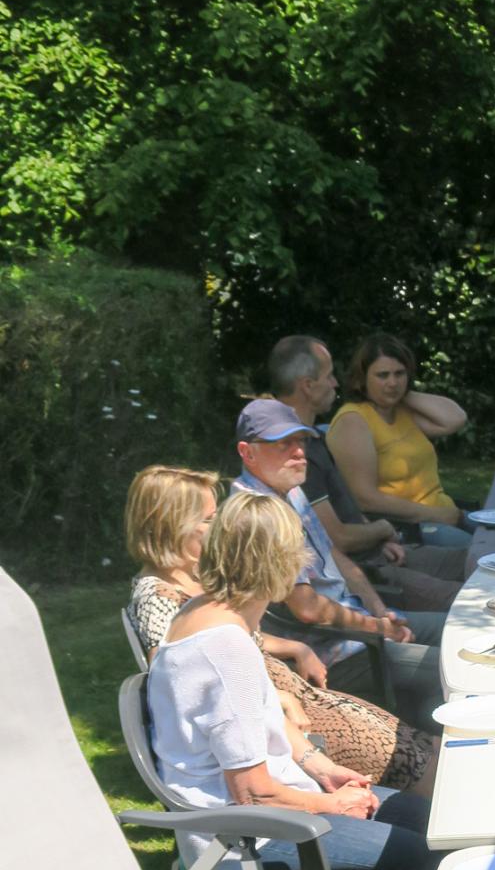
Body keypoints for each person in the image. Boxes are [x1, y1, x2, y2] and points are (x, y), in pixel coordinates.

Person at [145, 487, 432, 870]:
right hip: (243, 836)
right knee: (410, 854)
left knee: (427, 820)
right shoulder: (223, 647)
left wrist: (321, 768)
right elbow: (250, 791)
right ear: (275, 563)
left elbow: (265, 722)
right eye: (298, 556)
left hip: (274, 799)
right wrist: (330, 806)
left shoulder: (215, 615)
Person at [125, 465, 438, 798]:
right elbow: (180, 682)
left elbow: (236, 644)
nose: (217, 529)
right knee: (414, 758)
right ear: (167, 527)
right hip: (264, 719)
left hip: (284, 700)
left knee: (419, 742)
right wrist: (275, 698)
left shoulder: (198, 583)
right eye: (208, 520)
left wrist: (295, 648)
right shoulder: (157, 596)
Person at [234, 398, 444, 728]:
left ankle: (417, 741)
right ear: (247, 452)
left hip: (360, 624)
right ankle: (421, 756)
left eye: (300, 441)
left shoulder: (290, 489)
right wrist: (378, 629)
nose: (299, 452)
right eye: (282, 444)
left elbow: (334, 555)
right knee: (451, 670)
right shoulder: (259, 515)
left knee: (456, 629)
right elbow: (307, 608)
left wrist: (378, 610)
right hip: (334, 651)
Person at [266, 334, 468, 599]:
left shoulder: (314, 440)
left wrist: (380, 538)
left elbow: (347, 509)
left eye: (400, 374)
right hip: (371, 570)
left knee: (484, 561)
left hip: (383, 551)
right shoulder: (297, 452)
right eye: (329, 376)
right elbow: (340, 536)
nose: (335, 383)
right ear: (307, 386)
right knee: (472, 598)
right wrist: (382, 530)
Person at [326, 333, 472, 547]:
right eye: (382, 375)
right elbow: (365, 498)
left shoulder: (403, 411)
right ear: (362, 378)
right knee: (483, 555)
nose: (392, 382)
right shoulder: (353, 420)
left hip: (445, 514)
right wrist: (435, 515)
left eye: (399, 374)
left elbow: (455, 418)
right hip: (410, 527)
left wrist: (402, 394)